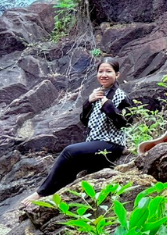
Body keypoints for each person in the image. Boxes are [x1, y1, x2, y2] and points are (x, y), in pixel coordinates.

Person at [37, 59, 137, 197]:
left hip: (112, 144)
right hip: (95, 143)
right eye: (100, 71)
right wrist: (88, 102)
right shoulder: (97, 93)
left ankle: (40, 193)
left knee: (69, 151)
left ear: (117, 74)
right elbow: (85, 121)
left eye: (108, 71)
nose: (104, 75)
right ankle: (54, 196)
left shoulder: (121, 96)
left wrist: (109, 106)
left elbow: (126, 123)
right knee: (71, 166)